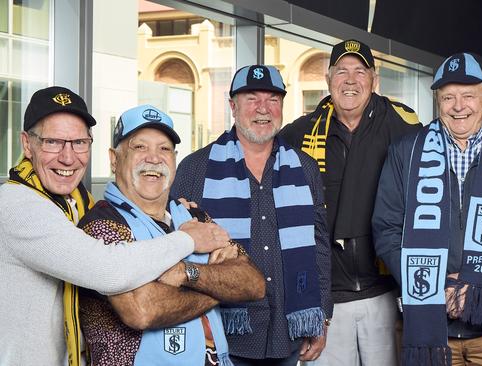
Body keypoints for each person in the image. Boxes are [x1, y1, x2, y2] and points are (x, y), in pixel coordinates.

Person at [0, 87, 227, 365]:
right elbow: (110, 272)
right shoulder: (16, 204)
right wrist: (190, 243)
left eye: (79, 142)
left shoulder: (76, 204)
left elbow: (254, 283)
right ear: (27, 144)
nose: (68, 157)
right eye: (53, 142)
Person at [373, 52, 482, 366]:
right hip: (430, 331)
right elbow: (386, 230)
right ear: (438, 100)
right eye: (448, 96)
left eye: (468, 95)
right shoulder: (405, 153)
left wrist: (478, 289)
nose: (458, 106)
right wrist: (436, 286)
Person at [77, 104, 266, 365]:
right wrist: (222, 287)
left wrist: (185, 273)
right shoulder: (101, 226)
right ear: (113, 159)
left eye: (164, 148)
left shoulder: (194, 217)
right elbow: (142, 310)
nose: (153, 158)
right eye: (139, 147)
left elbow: (254, 283)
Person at [171, 64, 332, 366]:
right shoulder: (196, 168)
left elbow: (319, 244)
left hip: (288, 331)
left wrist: (320, 316)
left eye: (272, 99)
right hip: (221, 334)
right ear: (233, 106)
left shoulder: (305, 167)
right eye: (251, 99)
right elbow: (175, 251)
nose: (263, 109)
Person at [280, 39, 421, 366]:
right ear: (328, 80)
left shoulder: (404, 127)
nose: (351, 79)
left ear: (375, 80)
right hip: (328, 298)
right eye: (342, 71)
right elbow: (255, 156)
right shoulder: (300, 135)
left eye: (360, 71)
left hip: (385, 292)